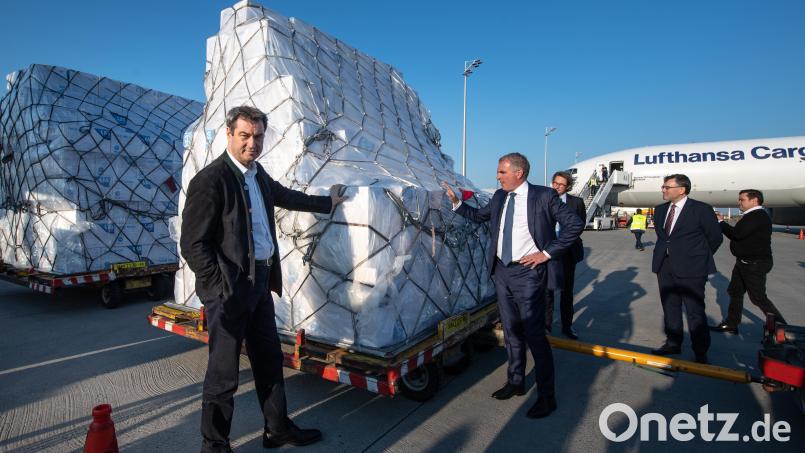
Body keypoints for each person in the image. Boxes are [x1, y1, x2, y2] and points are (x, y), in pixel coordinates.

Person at [181, 106, 347, 452]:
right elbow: (193, 245)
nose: (252, 143)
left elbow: (287, 196)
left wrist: (327, 203)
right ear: (229, 135)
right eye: (244, 136)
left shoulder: (257, 175)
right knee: (224, 374)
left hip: (258, 285)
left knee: (269, 360)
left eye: (257, 136)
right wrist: (220, 288)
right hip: (230, 291)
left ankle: (277, 429)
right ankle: (214, 445)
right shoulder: (212, 180)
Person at [442, 153, 583, 419]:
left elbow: (574, 224)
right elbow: (478, 216)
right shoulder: (499, 197)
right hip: (502, 271)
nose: (497, 176)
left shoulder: (544, 196)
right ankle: (516, 381)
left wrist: (547, 253)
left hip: (528, 273)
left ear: (519, 173)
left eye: (501, 172)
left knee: (534, 335)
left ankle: (546, 396)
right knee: (512, 332)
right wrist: (456, 203)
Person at [650, 174, 722, 364]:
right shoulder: (659, 210)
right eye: (663, 186)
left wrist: (697, 258)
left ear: (681, 189)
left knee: (695, 310)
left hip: (692, 268)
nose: (663, 190)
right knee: (670, 306)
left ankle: (700, 350)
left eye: (667, 187)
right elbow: (664, 237)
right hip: (664, 266)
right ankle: (673, 342)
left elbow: (715, 238)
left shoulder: (701, 209)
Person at [710, 189, 786, 334]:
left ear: (754, 200)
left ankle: (783, 328)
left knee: (758, 297)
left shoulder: (757, 216)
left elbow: (736, 234)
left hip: (754, 264)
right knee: (735, 291)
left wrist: (720, 222)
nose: (739, 202)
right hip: (743, 262)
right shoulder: (751, 215)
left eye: (742, 200)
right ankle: (732, 323)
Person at [544, 171, 586, 339]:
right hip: (548, 252)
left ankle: (567, 326)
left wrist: (563, 243)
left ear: (568, 186)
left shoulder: (577, 203)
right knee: (547, 292)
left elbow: (579, 226)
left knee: (567, 293)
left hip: (568, 252)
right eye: (555, 183)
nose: (556, 187)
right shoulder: (544, 199)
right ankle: (546, 327)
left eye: (560, 184)